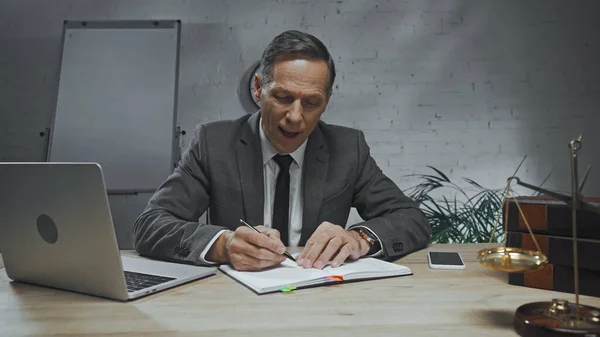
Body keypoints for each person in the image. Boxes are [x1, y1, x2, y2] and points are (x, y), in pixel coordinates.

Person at [132, 30, 431, 271]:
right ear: (259, 88)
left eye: (311, 102)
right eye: (283, 97)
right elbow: (150, 226)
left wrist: (359, 237)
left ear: (327, 101)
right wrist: (223, 244)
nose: (295, 117)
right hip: (234, 299)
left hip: (323, 297)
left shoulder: (348, 148)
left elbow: (411, 218)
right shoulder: (213, 142)